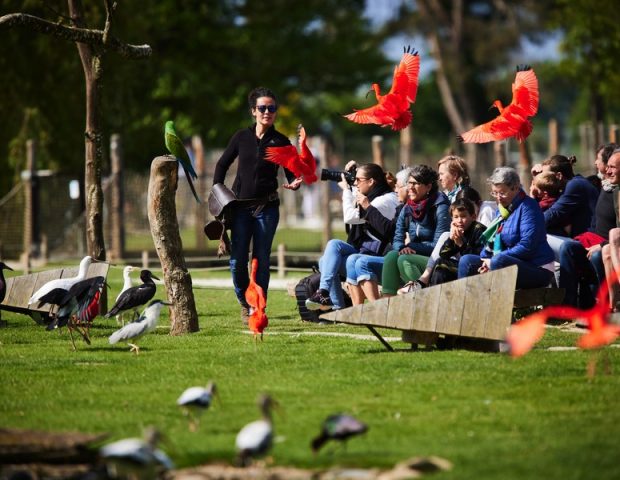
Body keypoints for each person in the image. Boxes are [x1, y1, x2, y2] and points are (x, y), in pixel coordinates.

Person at [212, 87, 302, 322]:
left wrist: (294, 183)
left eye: (271, 108)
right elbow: (221, 165)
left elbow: (292, 173)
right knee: (237, 261)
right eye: (262, 108)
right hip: (240, 208)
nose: (267, 112)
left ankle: (258, 306)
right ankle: (245, 301)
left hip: (267, 208)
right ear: (253, 111)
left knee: (260, 258)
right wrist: (217, 193)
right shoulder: (241, 137)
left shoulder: (281, 141)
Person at [306, 162, 400, 311]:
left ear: (371, 181)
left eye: (358, 180)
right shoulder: (372, 195)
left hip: (378, 254)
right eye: (354, 180)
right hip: (366, 250)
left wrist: (346, 191)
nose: (355, 184)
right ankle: (333, 304)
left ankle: (331, 300)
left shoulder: (384, 200)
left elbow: (350, 217)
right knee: (327, 256)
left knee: (342, 255)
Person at [457, 167, 555, 289]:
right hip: (508, 262)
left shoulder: (528, 207)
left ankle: (495, 306)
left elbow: (527, 246)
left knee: (499, 261)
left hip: (537, 267)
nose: (498, 197)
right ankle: (465, 305)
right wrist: (486, 260)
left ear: (515, 188)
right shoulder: (503, 209)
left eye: (502, 193)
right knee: (467, 261)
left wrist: (492, 261)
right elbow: (492, 242)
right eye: (494, 192)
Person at [558, 150, 620, 308]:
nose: (607, 170)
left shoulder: (614, 190)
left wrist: (600, 245)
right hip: (596, 240)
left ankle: (601, 305)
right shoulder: (609, 187)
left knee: (598, 255)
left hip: (606, 245)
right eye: (608, 166)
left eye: (613, 167)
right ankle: (568, 307)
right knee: (567, 247)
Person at [345, 167, 412, 304]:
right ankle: (358, 312)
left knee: (361, 262)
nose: (395, 190)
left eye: (398, 187)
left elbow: (388, 231)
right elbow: (395, 233)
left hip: (404, 257)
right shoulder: (402, 207)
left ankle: (375, 309)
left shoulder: (388, 202)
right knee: (351, 259)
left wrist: (366, 206)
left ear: (409, 187)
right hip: (396, 254)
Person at [381, 165, 450, 296]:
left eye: (416, 183)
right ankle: (387, 303)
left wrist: (411, 246)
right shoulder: (407, 208)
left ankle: (421, 298)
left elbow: (439, 246)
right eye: (409, 183)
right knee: (391, 256)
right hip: (413, 253)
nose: (410, 188)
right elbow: (397, 238)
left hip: (435, 260)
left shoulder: (440, 207)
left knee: (404, 259)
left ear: (428, 187)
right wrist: (401, 247)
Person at [400, 198, 486, 291]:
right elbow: (443, 254)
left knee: (443, 264)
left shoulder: (478, 230)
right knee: (440, 263)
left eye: (463, 216)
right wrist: (451, 238)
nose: (460, 220)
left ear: (473, 217)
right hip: (460, 266)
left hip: (477, 269)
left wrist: (460, 244)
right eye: (456, 217)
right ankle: (432, 291)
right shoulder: (457, 231)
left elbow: (477, 257)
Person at [540, 155, 599, 257]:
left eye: (546, 176)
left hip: (590, 242)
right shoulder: (572, 183)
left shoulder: (575, 185)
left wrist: (527, 225)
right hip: (581, 239)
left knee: (536, 236)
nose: (544, 180)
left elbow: (552, 214)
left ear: (559, 175)